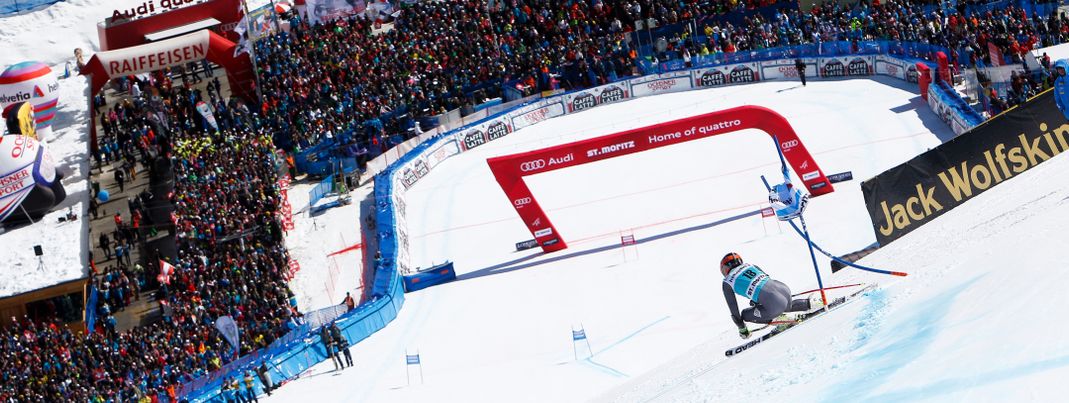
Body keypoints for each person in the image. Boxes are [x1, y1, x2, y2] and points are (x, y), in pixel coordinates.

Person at [720, 253, 821, 339]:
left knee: (745, 314)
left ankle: (783, 321)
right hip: (784, 289)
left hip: (773, 302)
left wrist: (742, 329)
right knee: (785, 305)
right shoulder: (751, 266)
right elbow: (765, 285)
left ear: (726, 268)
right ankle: (811, 303)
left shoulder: (727, 282)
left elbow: (734, 312)